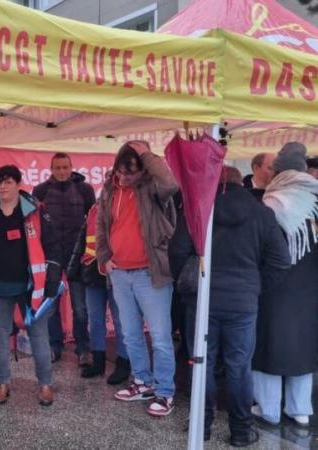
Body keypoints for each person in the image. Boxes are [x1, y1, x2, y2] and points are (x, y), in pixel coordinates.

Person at [169, 166, 290, 446]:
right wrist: (256, 288)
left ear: (214, 181)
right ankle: (240, 431)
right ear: (241, 183)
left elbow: (176, 252)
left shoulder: (199, 211)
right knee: (239, 367)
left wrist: (188, 287)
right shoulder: (262, 213)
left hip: (202, 302)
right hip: (243, 303)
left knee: (202, 364)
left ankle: (202, 426)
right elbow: (280, 261)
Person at [96, 141, 178, 417]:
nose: (124, 177)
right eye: (120, 172)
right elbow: (101, 225)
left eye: (130, 172)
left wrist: (145, 154)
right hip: (119, 273)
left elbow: (171, 183)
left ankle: (165, 392)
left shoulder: (152, 188)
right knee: (130, 334)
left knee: (160, 337)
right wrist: (104, 258)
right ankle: (142, 381)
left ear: (142, 169)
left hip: (149, 273)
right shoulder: (110, 190)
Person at [0, 165, 62, 406]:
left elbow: (53, 246)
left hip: (31, 287)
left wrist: (52, 280)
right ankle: (2, 384)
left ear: (18, 183)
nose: (2, 186)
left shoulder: (35, 210)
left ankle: (45, 385)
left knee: (39, 336)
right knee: (0, 336)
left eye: (8, 181)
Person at [252, 142, 318, 428]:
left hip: (273, 287)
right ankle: (300, 409)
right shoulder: (316, 200)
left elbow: (258, 248)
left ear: (278, 172)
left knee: (268, 344)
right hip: (309, 288)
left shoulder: (270, 203)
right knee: (303, 346)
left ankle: (268, 409)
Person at [33, 152, 95, 364]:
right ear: (51, 169)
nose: (61, 172)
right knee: (50, 306)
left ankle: (83, 348)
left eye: (65, 167)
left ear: (71, 167)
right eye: (57, 168)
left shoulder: (84, 189)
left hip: (76, 256)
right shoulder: (40, 191)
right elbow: (35, 224)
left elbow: (93, 223)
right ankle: (54, 345)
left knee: (80, 307)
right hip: (51, 256)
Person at [66, 202, 130, 384]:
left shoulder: (125, 208)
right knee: (95, 320)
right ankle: (99, 361)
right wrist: (73, 268)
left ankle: (123, 364)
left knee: (121, 321)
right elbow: (83, 240)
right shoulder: (94, 208)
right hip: (92, 271)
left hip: (117, 271)